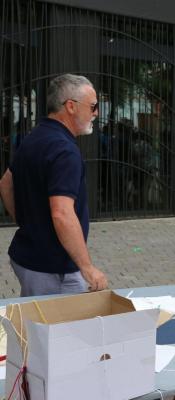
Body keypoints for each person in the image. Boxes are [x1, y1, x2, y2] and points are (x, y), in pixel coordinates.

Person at [0, 73, 107, 296]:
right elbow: (62, 214)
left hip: (31, 257)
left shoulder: (35, 136)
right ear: (70, 106)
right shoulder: (64, 150)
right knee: (62, 328)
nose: (96, 113)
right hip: (51, 267)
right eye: (93, 106)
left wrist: (27, 222)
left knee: (36, 323)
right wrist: (87, 268)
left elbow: (6, 182)